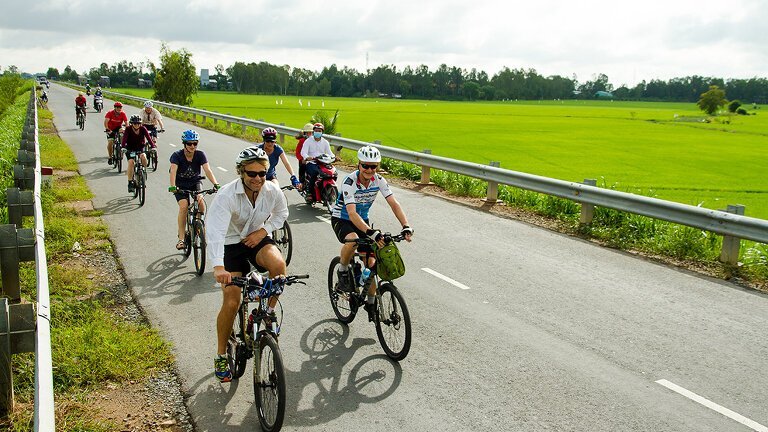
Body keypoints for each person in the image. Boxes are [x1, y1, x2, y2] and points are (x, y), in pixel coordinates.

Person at [205, 146, 289, 382]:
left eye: (262, 173)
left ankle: (267, 312)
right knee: (232, 301)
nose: (257, 179)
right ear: (241, 172)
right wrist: (218, 267)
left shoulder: (272, 190)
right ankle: (221, 354)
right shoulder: (226, 195)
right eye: (251, 174)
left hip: (257, 238)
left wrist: (264, 231)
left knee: (279, 268)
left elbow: (282, 214)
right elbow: (215, 232)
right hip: (230, 244)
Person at [331, 145, 413, 321]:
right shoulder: (349, 182)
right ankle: (343, 270)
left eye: (373, 166)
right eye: (365, 166)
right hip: (343, 218)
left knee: (371, 262)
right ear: (359, 165)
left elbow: (394, 203)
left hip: (363, 221)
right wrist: (371, 233)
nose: (369, 170)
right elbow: (351, 213)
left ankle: (370, 302)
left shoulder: (379, 180)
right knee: (352, 241)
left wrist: (406, 225)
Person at [168, 129, 220, 250]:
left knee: (201, 204)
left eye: (195, 143)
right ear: (184, 144)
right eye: (189, 143)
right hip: (180, 185)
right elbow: (173, 171)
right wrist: (173, 186)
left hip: (195, 182)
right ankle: (181, 239)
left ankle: (198, 226)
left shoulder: (200, 154)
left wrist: (216, 184)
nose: (192, 146)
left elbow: (207, 170)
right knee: (183, 206)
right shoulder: (177, 155)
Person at [121, 115, 155, 193]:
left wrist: (153, 147)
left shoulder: (143, 128)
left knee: (143, 157)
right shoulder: (128, 129)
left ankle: (143, 171)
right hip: (130, 148)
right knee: (131, 162)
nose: (137, 125)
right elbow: (124, 139)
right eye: (135, 123)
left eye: (138, 123)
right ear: (132, 123)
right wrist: (123, 147)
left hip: (140, 147)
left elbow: (149, 138)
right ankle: (130, 182)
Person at [299, 122, 333, 200]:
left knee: (331, 173)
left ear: (322, 132)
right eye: (316, 131)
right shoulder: (308, 141)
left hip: (323, 163)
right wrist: (307, 157)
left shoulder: (325, 142)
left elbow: (329, 153)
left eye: (319, 131)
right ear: (313, 131)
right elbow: (303, 152)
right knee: (315, 172)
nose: (318, 132)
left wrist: (334, 157)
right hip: (312, 163)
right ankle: (309, 192)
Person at [294, 123, 313, 189]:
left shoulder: (315, 141)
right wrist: (301, 159)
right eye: (307, 133)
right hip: (304, 159)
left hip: (313, 159)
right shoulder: (302, 141)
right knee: (302, 167)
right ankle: (301, 183)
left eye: (310, 133)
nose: (309, 134)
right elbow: (298, 152)